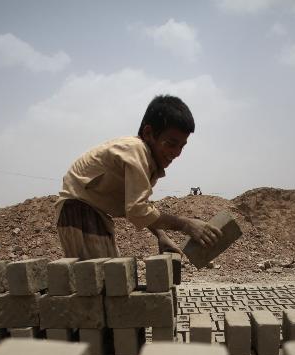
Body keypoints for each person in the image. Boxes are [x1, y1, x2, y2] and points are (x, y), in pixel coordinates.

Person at [56, 95, 222, 260]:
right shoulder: (136, 151)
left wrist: (161, 236)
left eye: (181, 147)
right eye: (171, 144)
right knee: (100, 280)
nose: (177, 153)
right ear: (149, 133)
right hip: (78, 210)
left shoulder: (150, 163)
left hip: (92, 213)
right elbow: (137, 212)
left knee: (112, 277)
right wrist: (186, 224)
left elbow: (139, 206)